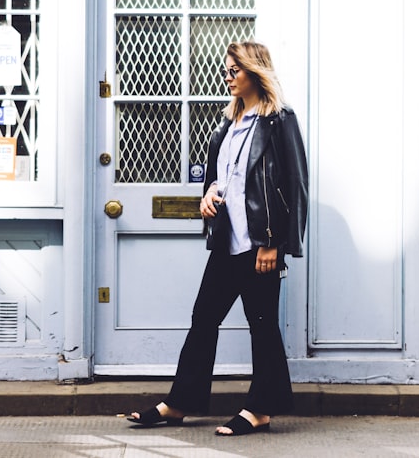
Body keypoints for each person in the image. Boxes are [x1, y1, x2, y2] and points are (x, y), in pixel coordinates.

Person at [128, 40, 309, 437]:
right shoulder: (228, 123)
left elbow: (295, 187)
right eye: (225, 71)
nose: (227, 77)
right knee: (203, 319)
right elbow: (223, 179)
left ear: (255, 72)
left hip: (259, 244)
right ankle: (179, 403)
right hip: (228, 243)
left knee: (262, 325)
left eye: (234, 71)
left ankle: (260, 410)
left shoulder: (279, 120)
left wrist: (275, 244)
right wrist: (209, 192)